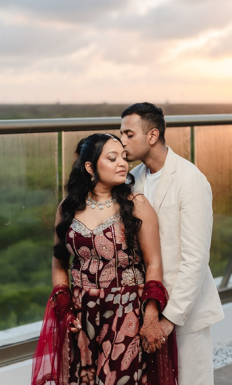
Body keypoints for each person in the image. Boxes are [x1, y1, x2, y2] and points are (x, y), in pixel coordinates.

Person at [31, 133, 178, 385]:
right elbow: (59, 263)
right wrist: (65, 307)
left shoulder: (136, 205)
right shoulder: (67, 208)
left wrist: (151, 316)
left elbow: (154, 263)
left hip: (126, 311)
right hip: (80, 314)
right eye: (112, 158)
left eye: (123, 157)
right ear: (89, 167)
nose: (122, 163)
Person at [120, 103, 224, 385]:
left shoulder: (190, 180)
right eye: (121, 134)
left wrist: (169, 320)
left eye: (129, 134)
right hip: (146, 309)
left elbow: (196, 259)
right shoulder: (133, 180)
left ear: (152, 136)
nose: (122, 141)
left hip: (185, 311)